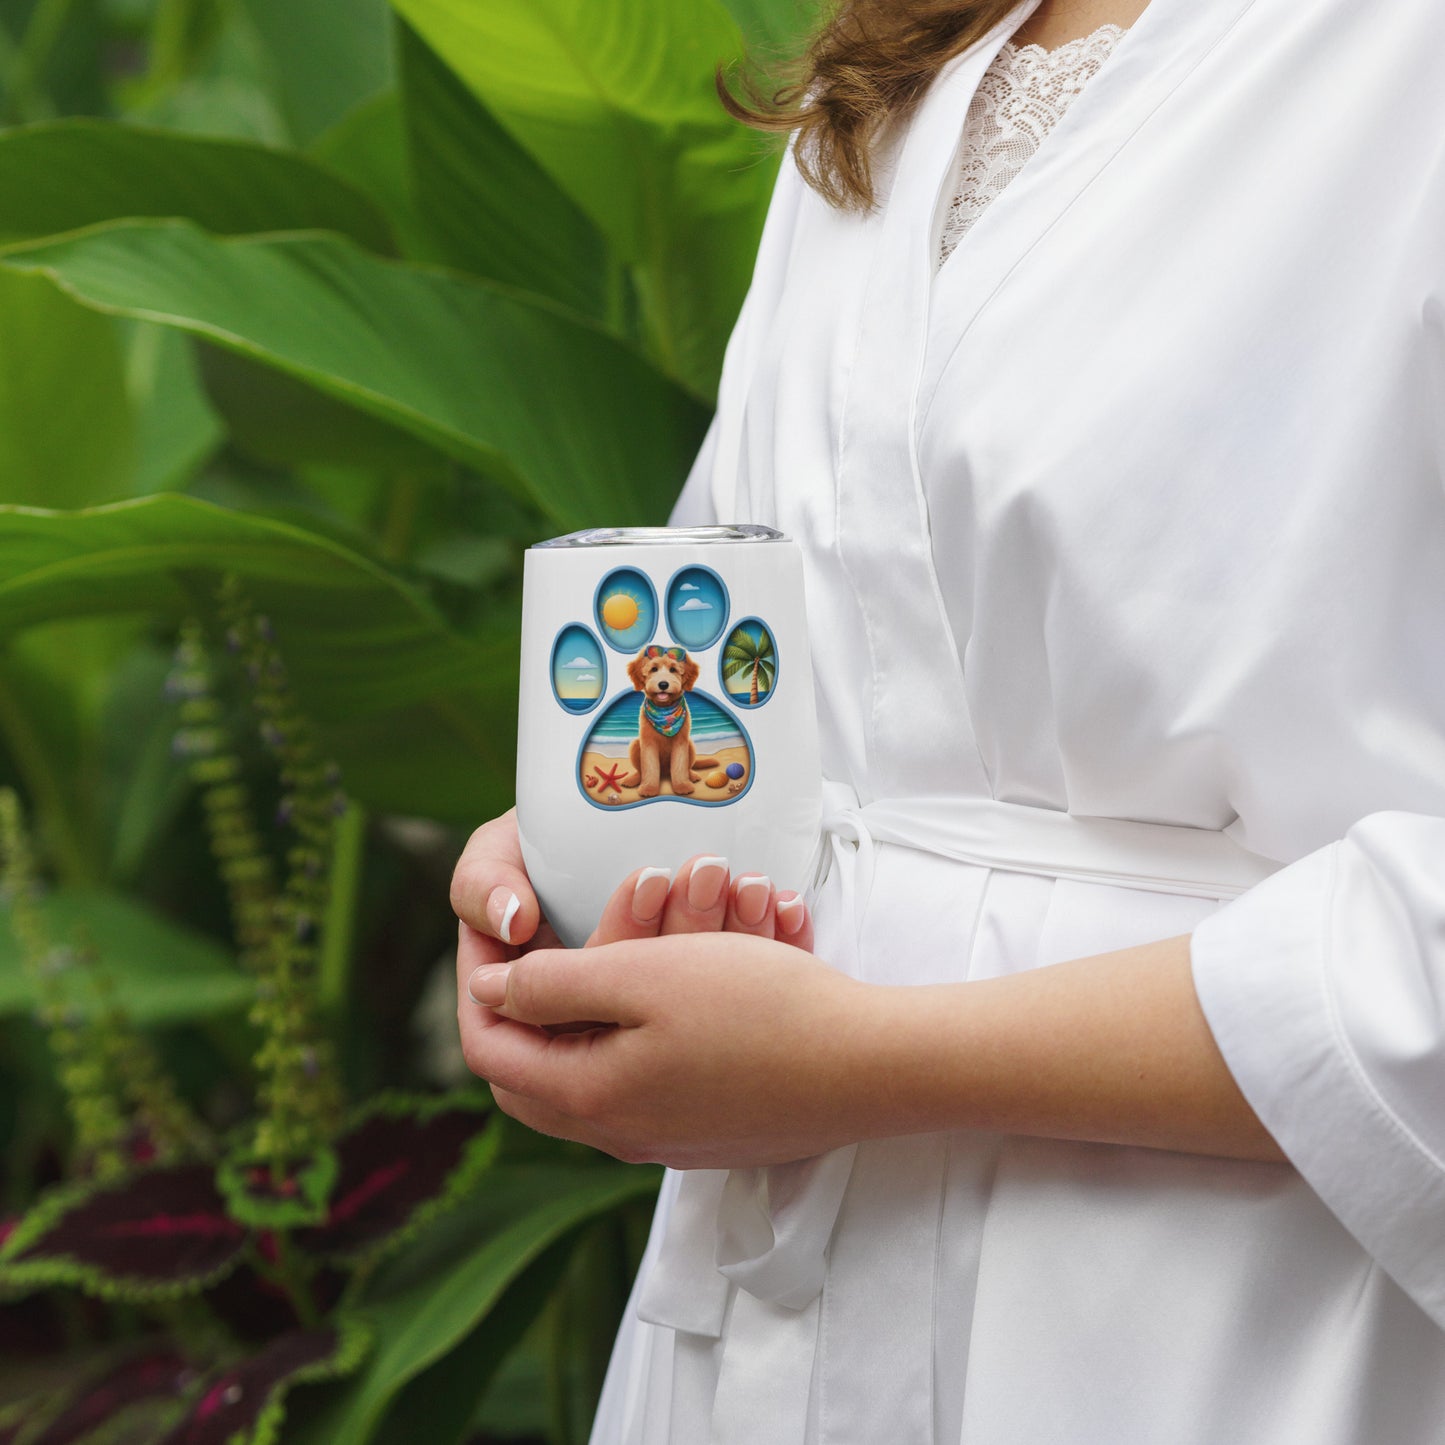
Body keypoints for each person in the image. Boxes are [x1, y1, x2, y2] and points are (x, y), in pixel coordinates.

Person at [452, 0, 1445, 1438]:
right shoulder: (902, 57)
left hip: (1233, 1317)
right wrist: (596, 845)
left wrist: (863, 1058)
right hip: (778, 1312)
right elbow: (786, 651)